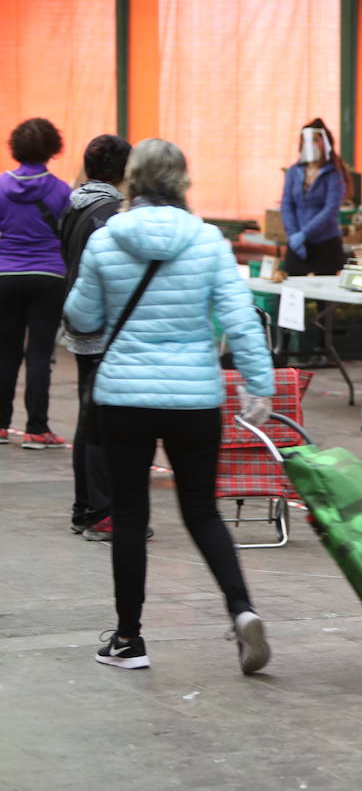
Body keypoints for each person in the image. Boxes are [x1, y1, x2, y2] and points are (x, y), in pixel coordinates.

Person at [65, 138, 276, 674]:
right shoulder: (208, 242)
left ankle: (129, 640)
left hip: (124, 399)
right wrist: (260, 385)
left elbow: (82, 318)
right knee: (202, 511)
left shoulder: (107, 240)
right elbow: (240, 317)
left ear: (131, 181)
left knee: (131, 517)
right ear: (183, 181)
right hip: (195, 399)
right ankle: (241, 609)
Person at [58, 134, 133, 539]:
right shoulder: (109, 212)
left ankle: (84, 508)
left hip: (79, 319)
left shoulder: (74, 202)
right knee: (104, 422)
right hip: (102, 324)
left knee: (89, 420)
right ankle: (103, 513)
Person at [0, 117, 71, 449]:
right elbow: (68, 236)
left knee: (6, 351)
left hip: (6, 275)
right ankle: (36, 429)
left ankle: (1, 425)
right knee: (40, 353)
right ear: (52, 148)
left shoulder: (1, 185)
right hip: (48, 276)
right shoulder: (61, 190)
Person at [280, 118, 348, 276]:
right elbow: (286, 204)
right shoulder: (293, 172)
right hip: (296, 245)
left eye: (315, 140)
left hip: (325, 244)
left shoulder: (334, 174)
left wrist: (305, 234)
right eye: (306, 141)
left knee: (323, 295)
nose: (310, 145)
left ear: (325, 143)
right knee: (290, 293)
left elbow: (331, 209)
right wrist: (293, 235)